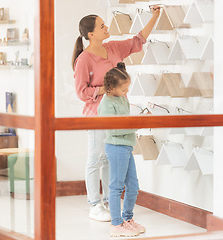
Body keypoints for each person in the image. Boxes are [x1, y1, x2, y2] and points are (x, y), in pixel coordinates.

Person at [72, 7, 161, 222]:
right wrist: (106, 89)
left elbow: (137, 41)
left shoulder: (112, 48)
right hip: (97, 116)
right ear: (91, 34)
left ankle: (109, 201)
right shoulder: (84, 60)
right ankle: (95, 204)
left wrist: (155, 17)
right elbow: (81, 92)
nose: (106, 27)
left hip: (118, 115)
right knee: (96, 159)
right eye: (102, 26)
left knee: (109, 160)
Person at [98, 62, 142, 237]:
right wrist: (136, 124)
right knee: (116, 187)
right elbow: (114, 128)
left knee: (133, 186)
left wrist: (135, 123)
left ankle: (127, 219)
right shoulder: (107, 103)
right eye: (124, 89)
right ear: (111, 88)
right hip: (115, 147)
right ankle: (116, 224)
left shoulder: (122, 98)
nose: (127, 92)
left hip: (126, 146)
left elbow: (125, 122)